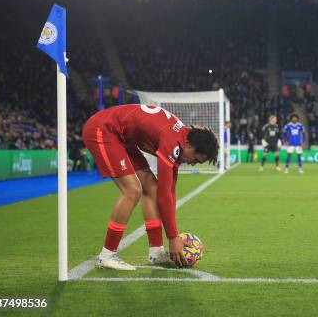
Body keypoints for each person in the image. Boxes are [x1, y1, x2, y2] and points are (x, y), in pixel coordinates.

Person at [82, 104, 218, 271]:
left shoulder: (180, 139)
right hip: (103, 130)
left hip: (124, 139)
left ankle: (156, 252)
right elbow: (164, 196)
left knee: (152, 188)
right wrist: (173, 237)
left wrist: (173, 235)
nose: (192, 163)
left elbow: (169, 192)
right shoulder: (172, 141)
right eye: (195, 159)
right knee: (133, 190)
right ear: (190, 146)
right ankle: (107, 255)